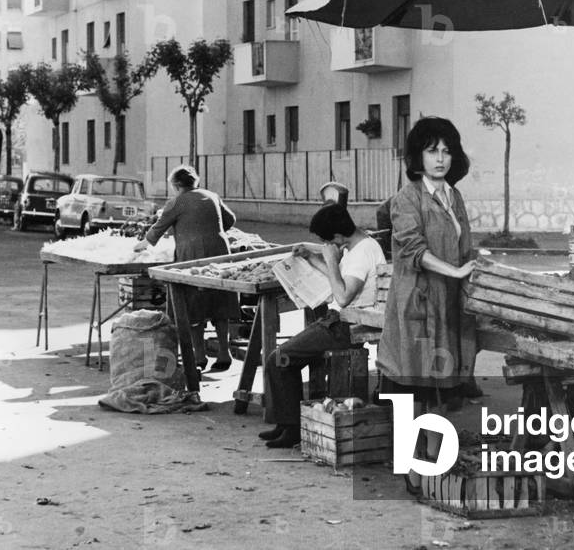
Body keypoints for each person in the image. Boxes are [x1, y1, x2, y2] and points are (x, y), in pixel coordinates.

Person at [376, 116, 477, 494]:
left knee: (438, 385)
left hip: (447, 302)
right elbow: (414, 250)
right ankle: (409, 471)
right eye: (432, 150)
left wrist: (471, 273)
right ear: (418, 155)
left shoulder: (454, 196)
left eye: (447, 150)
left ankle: (431, 463)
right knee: (411, 386)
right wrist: (454, 271)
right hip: (416, 303)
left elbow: (465, 247)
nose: (440, 158)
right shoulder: (406, 198)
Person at [258, 202, 386, 448]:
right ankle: (286, 424)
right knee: (281, 359)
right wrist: (313, 258)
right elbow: (336, 276)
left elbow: (344, 296)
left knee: (279, 359)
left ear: (338, 235)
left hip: (348, 325)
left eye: (330, 242)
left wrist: (328, 260)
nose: (331, 247)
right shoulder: (355, 244)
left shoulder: (361, 253)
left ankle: (292, 428)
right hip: (340, 321)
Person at [134, 166, 238, 373]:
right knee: (219, 301)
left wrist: (140, 245)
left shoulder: (177, 202)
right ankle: (225, 353)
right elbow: (230, 220)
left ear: (177, 185)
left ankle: (199, 357)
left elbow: (158, 229)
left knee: (193, 304)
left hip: (192, 256)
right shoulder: (212, 196)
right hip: (220, 252)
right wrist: (210, 231)